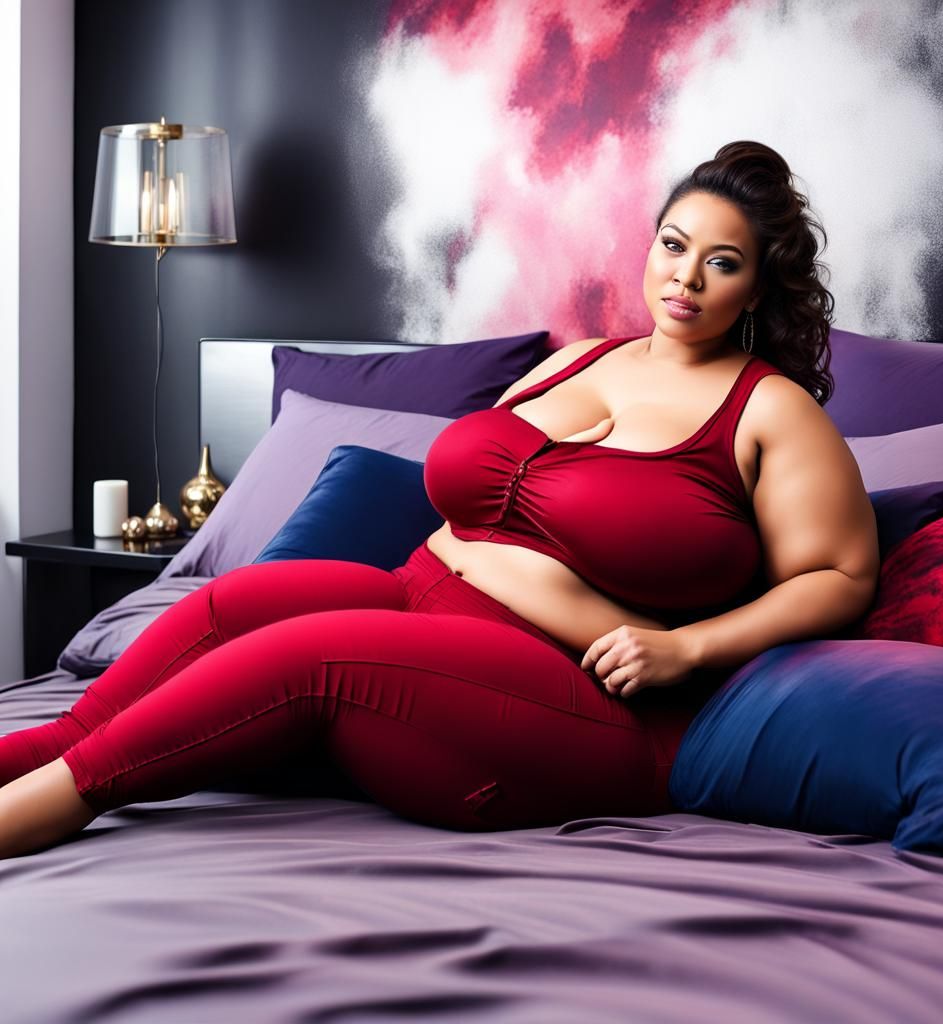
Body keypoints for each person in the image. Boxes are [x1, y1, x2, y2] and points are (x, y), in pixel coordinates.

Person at [0, 141, 878, 858]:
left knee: (310, 658)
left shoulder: (771, 411)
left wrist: (686, 647)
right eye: (674, 246)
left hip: (575, 695)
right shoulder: (581, 359)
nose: (686, 277)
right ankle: (50, 749)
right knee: (226, 606)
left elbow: (841, 576)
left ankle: (53, 805)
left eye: (722, 263)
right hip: (418, 594)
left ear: (756, 286)